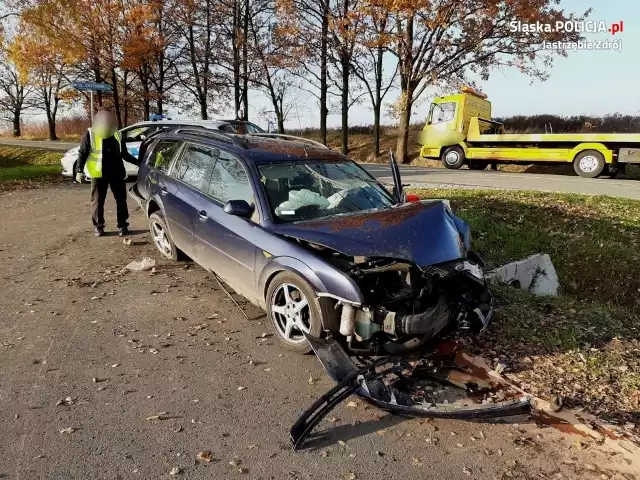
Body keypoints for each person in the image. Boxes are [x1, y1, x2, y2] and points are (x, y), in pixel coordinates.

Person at [75, 110, 139, 237]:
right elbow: (82, 153)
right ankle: (98, 227)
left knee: (121, 200)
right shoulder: (90, 134)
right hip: (98, 174)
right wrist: (79, 170)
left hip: (117, 172)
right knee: (98, 201)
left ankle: (122, 225)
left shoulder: (117, 134)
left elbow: (124, 154)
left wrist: (139, 163)